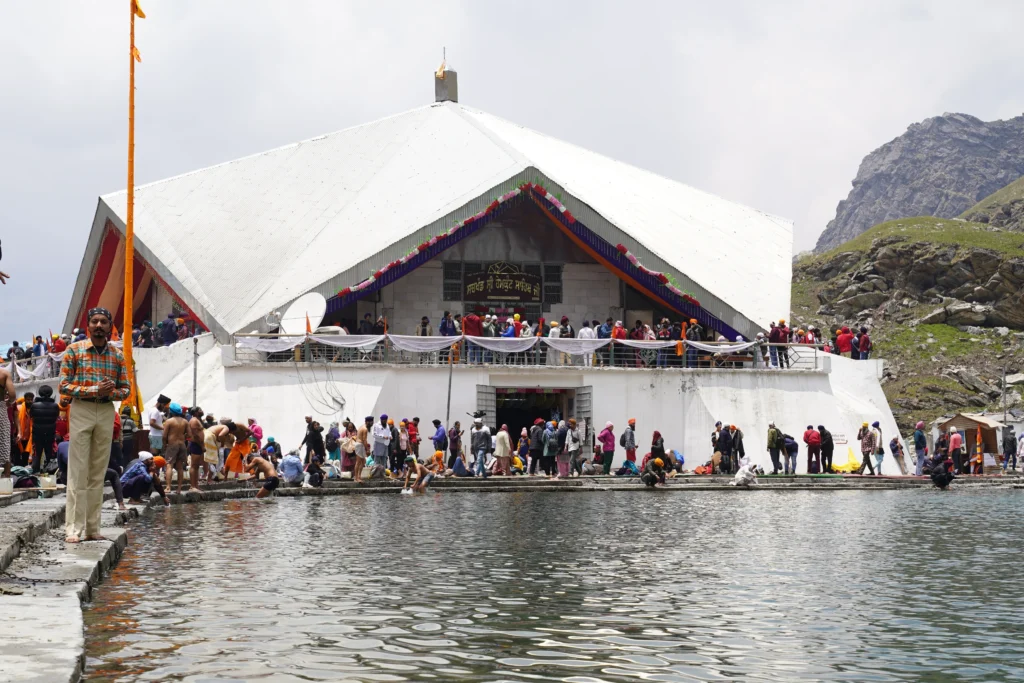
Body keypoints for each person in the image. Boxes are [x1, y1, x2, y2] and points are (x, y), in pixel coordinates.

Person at [59, 307, 131, 543]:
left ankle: (92, 528)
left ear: (110, 326)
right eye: (94, 322)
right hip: (82, 408)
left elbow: (126, 389)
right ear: (88, 325)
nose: (99, 325)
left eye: (103, 322)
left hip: (106, 409)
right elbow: (64, 386)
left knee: (98, 470)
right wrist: (93, 390)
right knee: (78, 469)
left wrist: (110, 392)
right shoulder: (74, 350)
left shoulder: (117, 355)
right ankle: (73, 529)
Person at [28, 384, 59, 474]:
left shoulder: (34, 405)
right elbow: (56, 417)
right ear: (51, 393)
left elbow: (31, 416)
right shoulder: (55, 406)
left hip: (37, 434)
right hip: (50, 434)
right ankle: (50, 472)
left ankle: (35, 472)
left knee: (37, 454)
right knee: (49, 453)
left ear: (40, 393)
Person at [161, 403, 189, 494]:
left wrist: (164, 445)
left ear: (171, 411)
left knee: (169, 465)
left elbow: (164, 436)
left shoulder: (169, 421)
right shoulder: (185, 421)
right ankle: (179, 489)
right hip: (182, 444)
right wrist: (182, 437)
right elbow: (189, 435)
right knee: (180, 467)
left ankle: (168, 487)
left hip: (172, 445)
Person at [186, 406, 206, 491]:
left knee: (197, 466)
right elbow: (195, 435)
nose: (202, 411)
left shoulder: (197, 420)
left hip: (198, 445)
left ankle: (196, 485)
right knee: (194, 466)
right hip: (196, 444)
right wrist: (202, 445)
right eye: (200, 410)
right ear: (196, 412)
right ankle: (192, 486)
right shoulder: (194, 420)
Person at [0, 366, 14, 478]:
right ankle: (6, 475)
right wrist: (9, 402)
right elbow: (12, 395)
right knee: (4, 441)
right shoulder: (4, 373)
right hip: (0, 409)